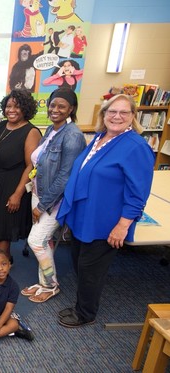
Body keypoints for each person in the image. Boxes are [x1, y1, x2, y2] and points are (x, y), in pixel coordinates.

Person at [56, 94, 155, 328]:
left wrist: (123, 225)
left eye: (123, 112)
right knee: (80, 264)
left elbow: (138, 193)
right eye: (112, 111)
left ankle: (85, 313)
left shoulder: (135, 146)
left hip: (105, 224)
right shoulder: (101, 138)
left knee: (91, 270)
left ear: (133, 117)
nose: (117, 116)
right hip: (84, 218)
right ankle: (82, 304)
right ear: (104, 114)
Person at [21, 88, 86, 303]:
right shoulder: (51, 129)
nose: (55, 109)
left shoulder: (73, 136)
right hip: (39, 193)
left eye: (61, 106)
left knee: (36, 240)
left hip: (55, 199)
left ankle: (51, 285)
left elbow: (66, 177)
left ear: (71, 109)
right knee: (44, 240)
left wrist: (43, 205)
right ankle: (44, 282)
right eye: (52, 105)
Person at [0, 89, 41, 259]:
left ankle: (2, 265)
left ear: (26, 109)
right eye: (8, 106)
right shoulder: (2, 125)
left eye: (17, 107)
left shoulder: (31, 131)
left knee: (3, 229)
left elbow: (31, 165)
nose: (11, 110)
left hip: (12, 186)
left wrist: (17, 194)